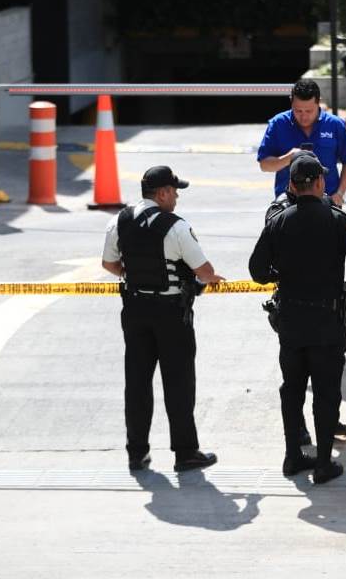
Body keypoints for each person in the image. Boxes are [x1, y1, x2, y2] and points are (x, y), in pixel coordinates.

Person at [249, 155, 346, 484]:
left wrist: (280, 273)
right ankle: (324, 462)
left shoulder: (278, 221)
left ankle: (293, 455)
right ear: (321, 183)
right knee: (326, 391)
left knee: (292, 389)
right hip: (327, 320)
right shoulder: (338, 220)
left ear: (292, 186)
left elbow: (256, 271)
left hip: (292, 320)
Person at [101, 166, 224, 472]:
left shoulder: (119, 220)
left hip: (134, 309)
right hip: (170, 313)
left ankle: (136, 453)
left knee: (137, 382)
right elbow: (204, 272)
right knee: (179, 383)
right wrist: (211, 279)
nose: (178, 197)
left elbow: (109, 263)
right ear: (162, 193)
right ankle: (185, 453)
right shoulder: (176, 227)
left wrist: (134, 275)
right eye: (175, 191)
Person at [263, 172, 346, 444]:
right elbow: (266, 260)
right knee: (297, 381)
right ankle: (302, 434)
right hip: (304, 309)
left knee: (322, 380)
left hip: (313, 309)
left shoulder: (325, 206)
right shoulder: (279, 211)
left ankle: (328, 423)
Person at [257, 79, 346, 206]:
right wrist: (289, 158)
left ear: (318, 103)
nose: (304, 116)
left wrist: (340, 193)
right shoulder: (278, 124)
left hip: (327, 203)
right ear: (291, 102)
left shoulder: (335, 125)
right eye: (298, 111)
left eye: (309, 111)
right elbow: (264, 165)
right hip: (289, 205)